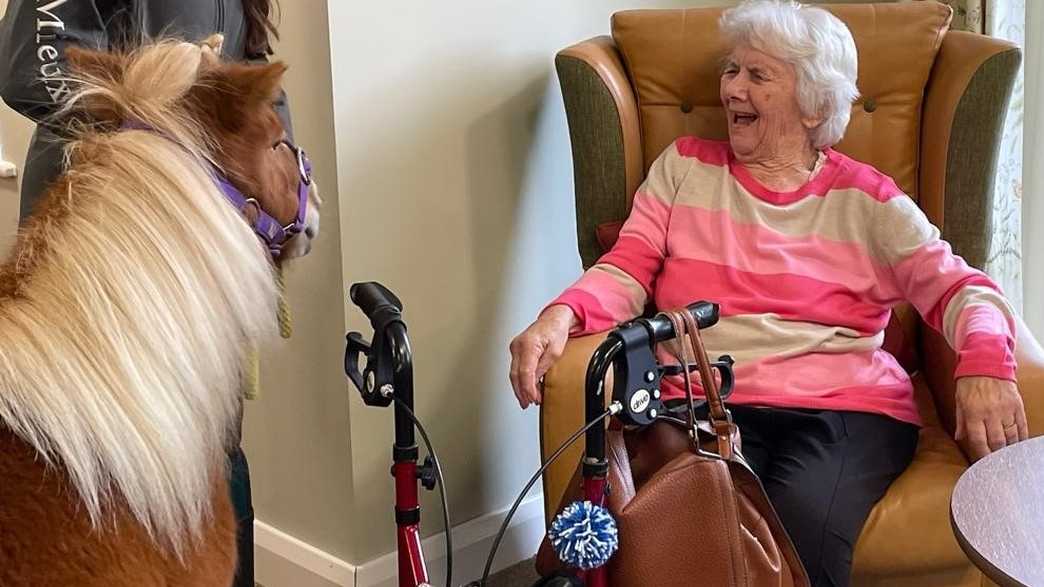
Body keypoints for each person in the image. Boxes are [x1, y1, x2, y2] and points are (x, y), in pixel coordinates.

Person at [508, 2, 1028, 585]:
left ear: (813, 103)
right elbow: (627, 270)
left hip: (843, 410)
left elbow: (963, 289)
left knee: (797, 529)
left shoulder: (869, 201)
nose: (732, 88)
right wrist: (560, 316)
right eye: (732, 70)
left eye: (758, 76)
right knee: (684, 527)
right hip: (703, 401)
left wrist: (986, 366)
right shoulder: (683, 170)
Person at [0, 2, 291, 584]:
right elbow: (27, 63)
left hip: (201, 253)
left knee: (213, 444)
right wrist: (157, 121)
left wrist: (274, 184)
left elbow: (260, 83)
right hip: (105, 251)